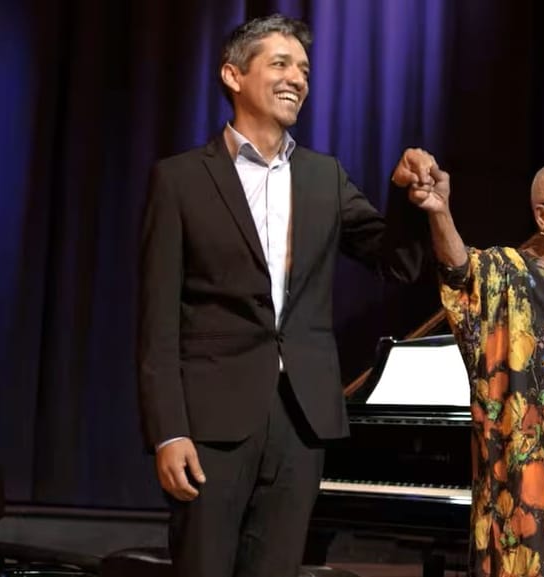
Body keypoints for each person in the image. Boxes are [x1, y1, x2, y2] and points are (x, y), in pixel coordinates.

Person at [137, 14, 434, 577]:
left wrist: (405, 199)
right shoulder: (179, 180)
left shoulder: (325, 177)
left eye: (303, 68)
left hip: (302, 418)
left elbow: (395, 262)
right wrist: (167, 431)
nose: (297, 77)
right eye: (280, 63)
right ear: (233, 75)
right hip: (211, 422)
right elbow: (156, 320)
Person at [393, 155, 544, 577]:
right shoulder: (510, 276)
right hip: (520, 503)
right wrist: (440, 211)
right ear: (543, 216)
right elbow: (460, 272)